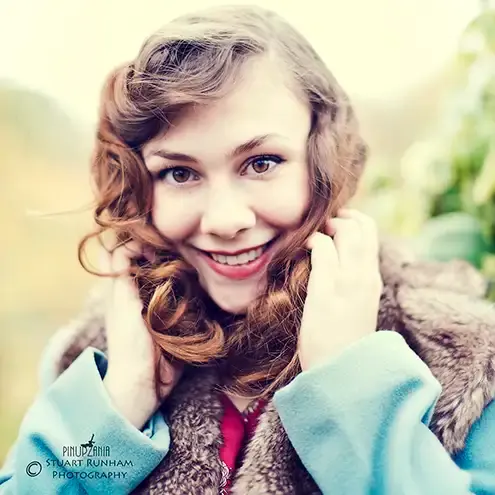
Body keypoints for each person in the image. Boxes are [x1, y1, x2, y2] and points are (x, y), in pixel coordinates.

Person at [1, 5, 495, 494]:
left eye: (261, 162)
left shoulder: (464, 356)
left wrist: (350, 387)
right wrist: (121, 403)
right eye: (179, 173)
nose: (225, 221)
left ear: (325, 156)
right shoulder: (93, 357)